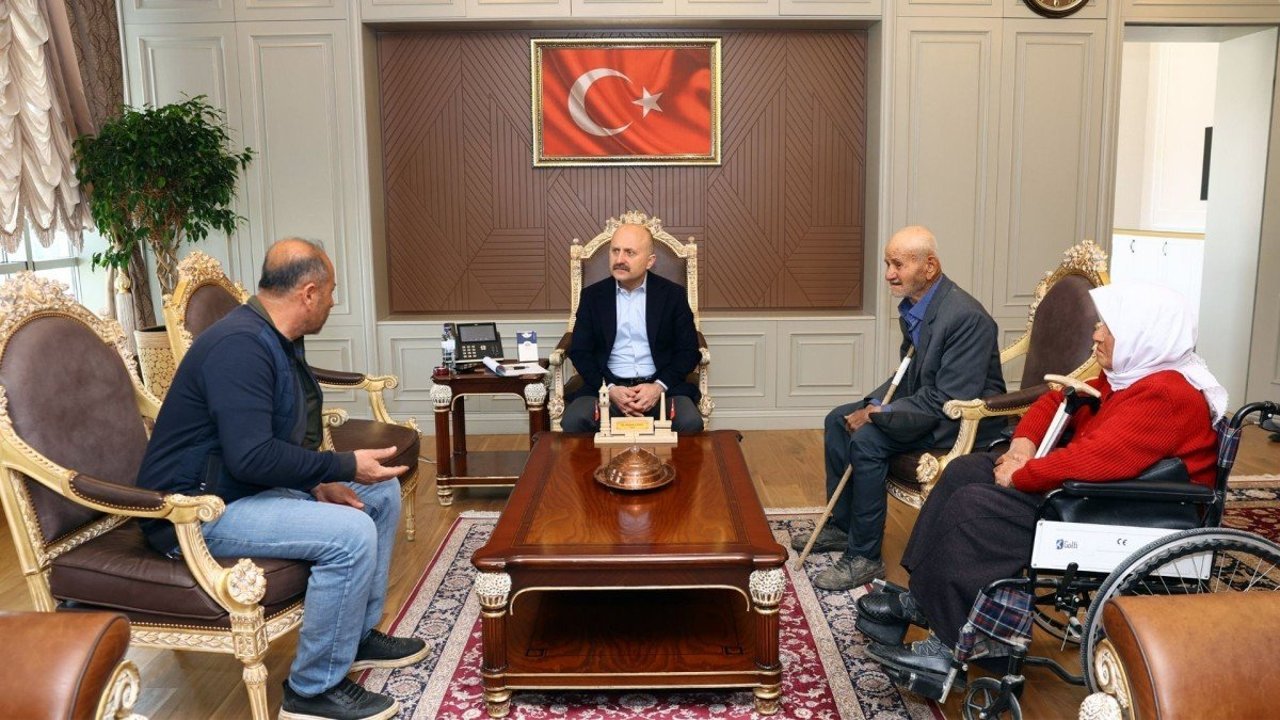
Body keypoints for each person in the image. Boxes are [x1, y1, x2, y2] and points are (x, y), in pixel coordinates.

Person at [861, 283, 1224, 676]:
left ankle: (948, 645)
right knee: (963, 471)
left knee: (977, 509)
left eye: (1109, 327)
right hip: (1097, 494)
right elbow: (1055, 400)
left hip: (1130, 510)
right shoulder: (1129, 376)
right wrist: (1022, 446)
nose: (1097, 334)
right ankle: (924, 598)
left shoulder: (1164, 394)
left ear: (1144, 335)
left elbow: (1093, 459)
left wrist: (1023, 474)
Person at [137, 238, 422, 720]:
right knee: (351, 532)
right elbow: (251, 456)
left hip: (242, 488)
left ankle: (354, 638)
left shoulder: (275, 337)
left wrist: (318, 481)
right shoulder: (240, 347)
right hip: (194, 510)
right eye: (331, 291)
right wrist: (340, 466)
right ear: (309, 293)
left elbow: (265, 447)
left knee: (379, 493)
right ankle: (311, 691)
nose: (333, 300)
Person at [799, 225, 1005, 591]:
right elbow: (908, 376)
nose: (889, 274)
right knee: (837, 420)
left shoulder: (966, 318)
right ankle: (845, 526)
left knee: (868, 440)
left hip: (960, 418)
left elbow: (947, 398)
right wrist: (872, 404)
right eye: (887, 264)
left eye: (898, 265)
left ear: (930, 267)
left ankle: (864, 556)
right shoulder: (916, 306)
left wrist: (878, 415)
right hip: (931, 403)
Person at [560, 222, 704, 433]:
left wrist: (658, 387)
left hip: (661, 389)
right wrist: (610, 389)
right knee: (574, 421)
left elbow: (688, 351)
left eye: (630, 253)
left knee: (690, 422)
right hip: (606, 388)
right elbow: (581, 352)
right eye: (615, 251)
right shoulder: (593, 297)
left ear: (650, 261)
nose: (620, 259)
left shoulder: (672, 295)